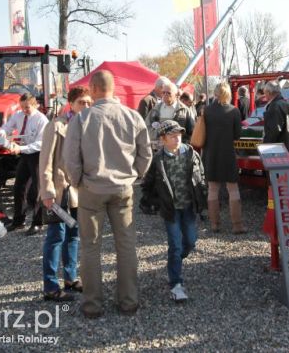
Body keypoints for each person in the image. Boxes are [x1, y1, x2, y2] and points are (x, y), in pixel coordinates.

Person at [63, 70, 152, 318]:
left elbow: (71, 159)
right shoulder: (133, 116)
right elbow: (146, 153)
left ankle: (92, 306)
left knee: (90, 247)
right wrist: (135, 175)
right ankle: (128, 302)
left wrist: (78, 181)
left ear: (92, 88)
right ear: (113, 88)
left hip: (91, 189)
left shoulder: (81, 119)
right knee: (126, 246)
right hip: (123, 189)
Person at [141, 120, 207, 303]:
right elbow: (148, 185)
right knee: (175, 245)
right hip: (170, 210)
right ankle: (176, 283)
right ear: (163, 139)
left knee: (191, 242)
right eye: (172, 135)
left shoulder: (191, 154)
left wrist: (203, 196)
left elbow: (200, 175)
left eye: (179, 134)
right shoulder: (158, 160)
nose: (177, 138)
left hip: (188, 206)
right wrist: (152, 203)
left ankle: (175, 261)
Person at [38, 86, 93, 302]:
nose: (86, 106)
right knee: (56, 236)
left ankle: (70, 278)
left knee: (73, 235)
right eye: (82, 102)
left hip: (78, 192)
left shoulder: (88, 126)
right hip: (59, 192)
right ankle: (50, 287)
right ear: (71, 104)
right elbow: (45, 161)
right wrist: (47, 190)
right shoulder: (56, 126)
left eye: (89, 102)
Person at [0, 93, 49, 231]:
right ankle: (18, 220)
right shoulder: (18, 115)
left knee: (38, 188)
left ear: (35, 105)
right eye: (22, 107)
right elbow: (7, 127)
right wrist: (1, 132)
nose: (24, 110)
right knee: (19, 186)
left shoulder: (41, 120)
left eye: (27, 107)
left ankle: (38, 222)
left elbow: (40, 143)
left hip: (37, 154)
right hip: (24, 154)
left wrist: (20, 148)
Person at [202, 83, 245, 233]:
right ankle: (237, 225)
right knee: (233, 189)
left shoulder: (206, 111)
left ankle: (214, 224)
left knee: (212, 189)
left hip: (210, 154)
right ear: (228, 94)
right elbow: (237, 135)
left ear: (215, 93)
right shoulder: (234, 111)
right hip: (227, 153)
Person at [263, 81, 289, 151]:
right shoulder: (285, 104)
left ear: (268, 92)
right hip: (286, 146)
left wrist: (265, 147)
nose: (264, 96)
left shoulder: (274, 106)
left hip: (276, 149)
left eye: (265, 93)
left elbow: (273, 131)